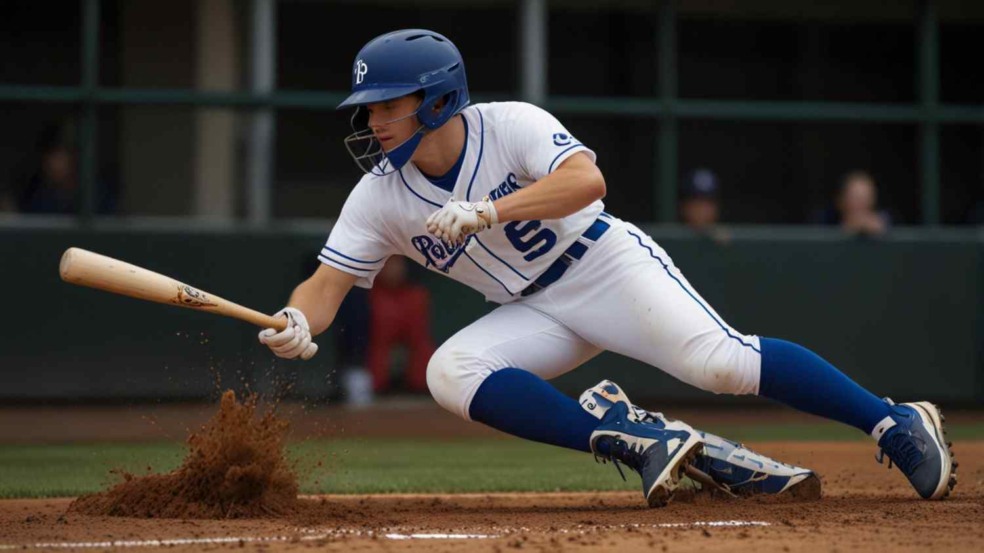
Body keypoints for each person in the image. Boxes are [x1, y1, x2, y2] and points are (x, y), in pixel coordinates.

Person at [258, 29, 955, 506]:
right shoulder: (379, 194)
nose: (372, 121)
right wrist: (297, 318)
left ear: (436, 99)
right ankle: (635, 437)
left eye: (386, 105)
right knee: (449, 370)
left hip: (603, 265)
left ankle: (893, 421)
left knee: (722, 364)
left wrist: (485, 212)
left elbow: (587, 182)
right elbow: (325, 285)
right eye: (368, 108)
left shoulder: (510, 125)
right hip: (533, 311)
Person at [366, 257, 435, 394]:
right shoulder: (370, 295)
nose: (394, 270)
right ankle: (379, 387)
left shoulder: (416, 295)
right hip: (377, 355)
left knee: (422, 349)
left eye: (397, 265)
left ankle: (421, 386)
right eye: (389, 265)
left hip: (413, 358)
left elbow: (417, 335)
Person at [815, 171, 890, 236]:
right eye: (855, 198)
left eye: (866, 198)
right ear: (840, 201)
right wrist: (845, 231)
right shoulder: (823, 223)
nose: (862, 203)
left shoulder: (886, 222)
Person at [679, 168, 730, 244]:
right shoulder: (667, 238)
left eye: (708, 203)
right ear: (684, 206)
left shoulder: (724, 238)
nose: (702, 210)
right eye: (696, 202)